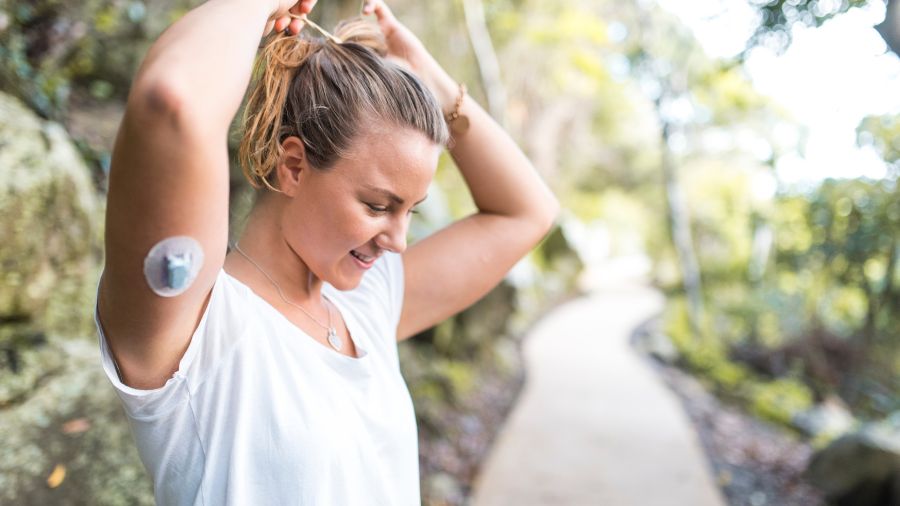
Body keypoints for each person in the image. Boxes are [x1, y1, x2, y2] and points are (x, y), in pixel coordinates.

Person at [94, 0, 558, 504]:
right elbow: (173, 102)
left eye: (412, 212)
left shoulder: (366, 307)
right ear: (293, 166)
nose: (398, 241)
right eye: (379, 205)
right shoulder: (194, 327)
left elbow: (528, 212)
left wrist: (434, 83)